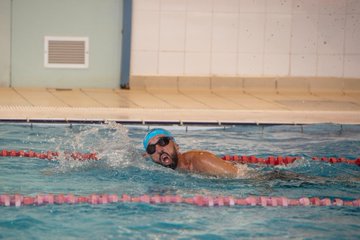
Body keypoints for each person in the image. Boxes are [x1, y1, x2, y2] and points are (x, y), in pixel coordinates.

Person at [143, 128, 248, 178]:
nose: (159, 149)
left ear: (176, 145)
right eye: (151, 149)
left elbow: (241, 176)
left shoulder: (200, 160)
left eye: (162, 142)